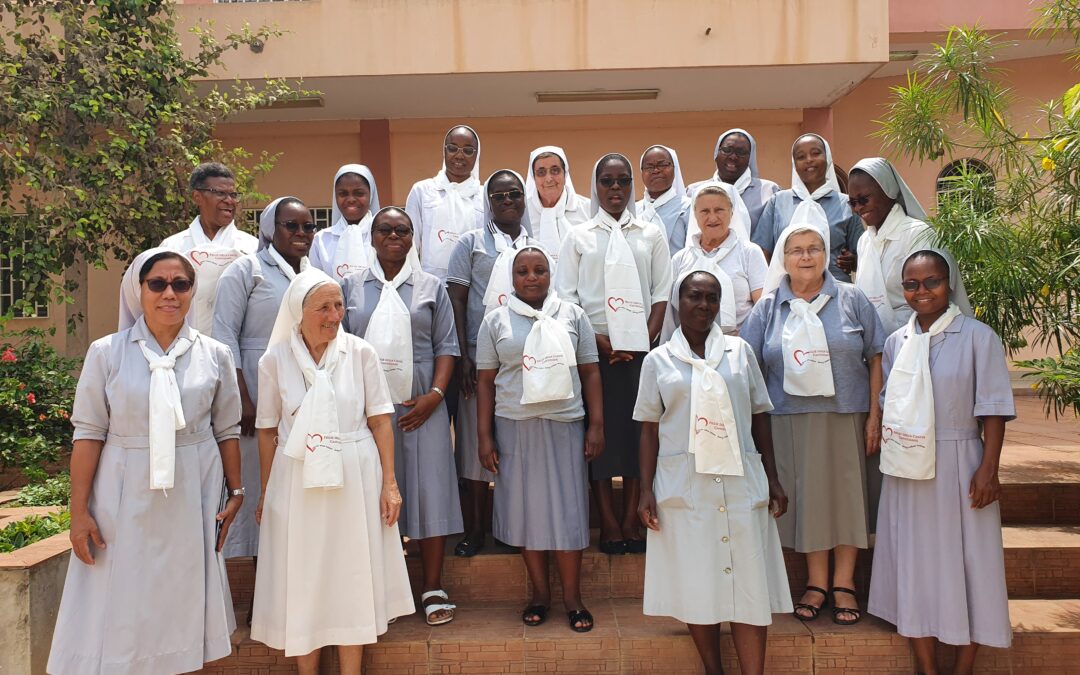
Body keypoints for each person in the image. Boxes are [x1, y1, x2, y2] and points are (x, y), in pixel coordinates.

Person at [48, 248, 243, 675]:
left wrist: (237, 490)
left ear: (192, 292)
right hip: (122, 488)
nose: (169, 294)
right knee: (126, 593)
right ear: (139, 290)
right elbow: (88, 434)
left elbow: (227, 430)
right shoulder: (107, 353)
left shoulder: (215, 355)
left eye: (181, 284)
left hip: (194, 485)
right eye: (158, 284)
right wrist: (78, 512)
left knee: (184, 594)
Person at [250, 268, 414, 674]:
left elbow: (379, 420)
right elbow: (267, 431)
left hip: (355, 476)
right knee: (304, 578)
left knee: (351, 575)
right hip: (297, 480)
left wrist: (389, 484)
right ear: (298, 312)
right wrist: (267, 493)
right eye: (323, 307)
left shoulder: (360, 353)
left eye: (339, 305)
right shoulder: (274, 360)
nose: (334, 315)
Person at [636, 269, 792, 675]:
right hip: (686, 484)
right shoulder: (658, 361)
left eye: (711, 298)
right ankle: (714, 669)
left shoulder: (741, 354)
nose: (703, 305)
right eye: (694, 296)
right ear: (678, 302)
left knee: (750, 586)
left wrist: (773, 478)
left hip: (742, 480)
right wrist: (644, 490)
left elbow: (760, 417)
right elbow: (648, 429)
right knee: (698, 582)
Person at [740, 201, 884, 626]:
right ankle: (817, 582)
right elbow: (748, 364)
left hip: (847, 416)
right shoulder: (768, 308)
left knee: (846, 500)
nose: (806, 257)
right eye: (797, 249)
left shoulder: (852, 299)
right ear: (782, 259)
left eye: (814, 248)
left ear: (826, 254)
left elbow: (876, 356)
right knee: (808, 501)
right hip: (788, 419)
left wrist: (875, 415)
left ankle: (845, 583)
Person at [869, 249, 1012, 675]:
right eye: (911, 284)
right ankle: (928, 668)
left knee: (973, 565)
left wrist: (989, 468)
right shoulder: (898, 342)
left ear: (948, 284)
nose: (921, 291)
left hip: (961, 461)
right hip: (908, 468)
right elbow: (890, 403)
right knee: (916, 564)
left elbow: (993, 409)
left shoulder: (977, 337)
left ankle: (964, 667)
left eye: (931, 281)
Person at [342, 206, 464, 626]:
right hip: (367, 410)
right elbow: (341, 346)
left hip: (422, 406)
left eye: (403, 230)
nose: (394, 235)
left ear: (413, 237)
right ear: (372, 236)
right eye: (385, 229)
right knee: (374, 493)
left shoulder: (431, 286)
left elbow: (447, 346)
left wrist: (435, 395)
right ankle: (384, 588)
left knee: (430, 489)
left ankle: (432, 585)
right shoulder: (351, 286)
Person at [475, 245, 604, 632]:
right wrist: (484, 436)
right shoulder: (495, 321)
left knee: (567, 512)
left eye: (540, 270)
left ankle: (572, 598)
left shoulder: (573, 316)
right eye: (523, 271)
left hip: (565, 424)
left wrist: (596, 425)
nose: (531, 277)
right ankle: (540, 595)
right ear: (511, 278)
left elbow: (591, 373)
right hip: (515, 426)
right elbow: (484, 382)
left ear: (551, 275)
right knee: (527, 514)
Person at [556, 153, 673, 555]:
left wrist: (645, 338)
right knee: (600, 436)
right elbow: (567, 298)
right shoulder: (579, 236)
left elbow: (661, 292)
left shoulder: (651, 234)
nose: (616, 189)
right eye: (607, 181)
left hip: (642, 351)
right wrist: (599, 342)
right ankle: (607, 521)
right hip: (595, 353)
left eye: (623, 181)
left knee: (639, 431)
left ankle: (630, 518)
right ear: (596, 186)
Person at [212, 197, 313, 598]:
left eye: (308, 227)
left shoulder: (313, 273)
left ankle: (300, 588)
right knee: (260, 486)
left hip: (303, 386)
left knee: (299, 482)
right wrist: (244, 399)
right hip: (255, 385)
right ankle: (264, 593)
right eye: (292, 226)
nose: (301, 234)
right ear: (271, 229)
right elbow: (224, 336)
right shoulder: (246, 270)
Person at [446, 170, 540, 556]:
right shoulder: (470, 243)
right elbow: (456, 299)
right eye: (498, 195)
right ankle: (475, 530)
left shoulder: (536, 248)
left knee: (515, 447)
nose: (507, 200)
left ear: (523, 199)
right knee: (474, 448)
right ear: (488, 201)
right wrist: (465, 356)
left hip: (523, 359)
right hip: (478, 361)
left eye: (514, 194)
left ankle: (511, 528)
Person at [848, 157, 973, 335]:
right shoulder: (864, 241)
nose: (858, 208)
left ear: (888, 190)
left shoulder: (918, 234)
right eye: (852, 202)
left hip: (918, 338)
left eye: (864, 200)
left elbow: (932, 298)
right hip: (874, 346)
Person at [161, 162, 258, 335]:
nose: (229, 201)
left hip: (236, 351)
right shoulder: (172, 247)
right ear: (197, 197)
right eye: (220, 193)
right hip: (185, 346)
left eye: (233, 194)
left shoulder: (252, 248)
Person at [751, 134, 863, 282]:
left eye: (816, 153)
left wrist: (853, 260)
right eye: (801, 156)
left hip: (836, 291)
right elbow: (762, 253)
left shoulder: (847, 204)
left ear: (827, 158)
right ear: (794, 164)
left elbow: (862, 251)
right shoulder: (778, 201)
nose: (809, 159)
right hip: (787, 291)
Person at [667, 182, 767, 338]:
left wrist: (741, 340)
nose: (712, 217)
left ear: (731, 213)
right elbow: (672, 311)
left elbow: (763, 308)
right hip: (688, 348)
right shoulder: (680, 258)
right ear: (695, 215)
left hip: (737, 344)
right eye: (705, 211)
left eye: (719, 210)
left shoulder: (749, 253)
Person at [405, 125, 484, 281]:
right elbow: (410, 245)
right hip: (428, 284)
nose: (459, 156)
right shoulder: (422, 190)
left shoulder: (483, 195)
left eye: (468, 150)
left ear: (477, 156)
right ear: (444, 151)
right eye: (453, 148)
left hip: (470, 284)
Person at [686, 128, 780, 233]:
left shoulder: (769, 190)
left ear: (750, 158)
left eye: (741, 152)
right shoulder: (694, 191)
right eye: (727, 150)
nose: (733, 157)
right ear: (716, 153)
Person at [310, 164, 381, 280]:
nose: (351, 199)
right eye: (343, 194)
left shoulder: (384, 236)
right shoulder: (321, 240)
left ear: (371, 195)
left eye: (359, 193)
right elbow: (315, 284)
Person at [524, 146, 590, 264]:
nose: (549, 178)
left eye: (555, 171)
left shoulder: (587, 210)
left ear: (565, 174)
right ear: (533, 178)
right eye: (541, 172)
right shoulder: (523, 213)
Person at [637, 145, 692, 255]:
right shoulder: (633, 210)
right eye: (649, 167)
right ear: (642, 172)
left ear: (674, 168)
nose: (656, 170)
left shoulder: (688, 207)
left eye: (663, 165)